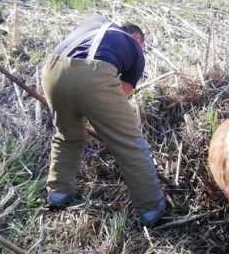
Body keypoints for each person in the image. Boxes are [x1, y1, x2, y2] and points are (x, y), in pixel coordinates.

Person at [41, 15, 166, 226]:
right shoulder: (135, 49)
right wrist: (112, 133)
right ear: (137, 37)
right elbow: (121, 96)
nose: (141, 50)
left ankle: (58, 195)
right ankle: (151, 209)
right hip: (94, 74)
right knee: (130, 146)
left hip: (52, 71)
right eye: (142, 46)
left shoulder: (94, 22)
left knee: (67, 135)